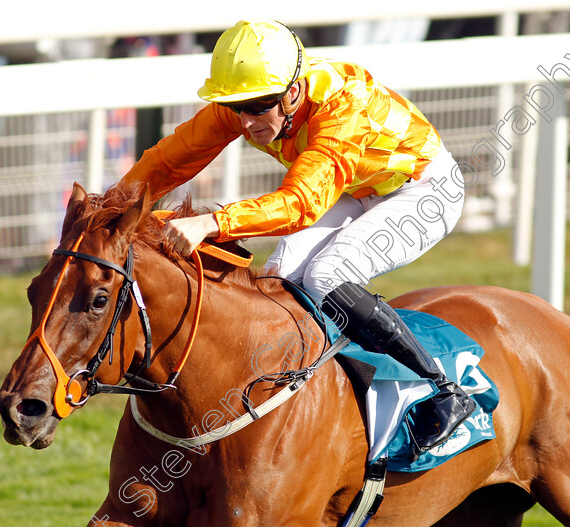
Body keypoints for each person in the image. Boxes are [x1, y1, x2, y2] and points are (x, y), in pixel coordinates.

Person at [117, 19, 475, 452]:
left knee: (325, 275)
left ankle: (443, 389)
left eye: (259, 106)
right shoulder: (250, 101)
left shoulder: (343, 105)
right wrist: (111, 211)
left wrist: (213, 222)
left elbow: (302, 202)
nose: (247, 121)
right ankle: (312, 394)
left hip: (424, 189)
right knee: (281, 274)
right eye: (238, 108)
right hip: (356, 188)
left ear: (292, 91)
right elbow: (168, 162)